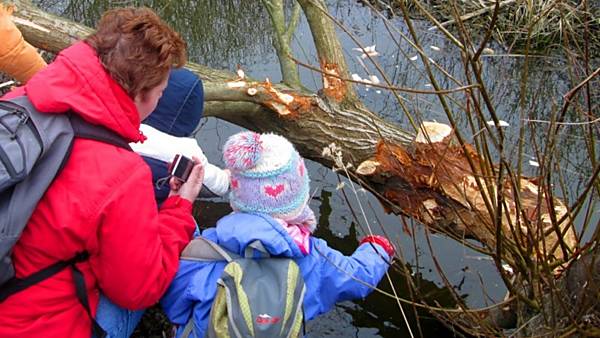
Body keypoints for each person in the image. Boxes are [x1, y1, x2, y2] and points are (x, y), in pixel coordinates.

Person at [0, 7, 204, 338]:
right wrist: (179, 208)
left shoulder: (19, 100)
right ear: (141, 94)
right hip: (34, 327)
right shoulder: (122, 174)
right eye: (161, 93)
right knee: (178, 238)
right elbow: (137, 289)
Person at [161, 131, 395, 337]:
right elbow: (357, 278)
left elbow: (174, 306)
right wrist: (378, 250)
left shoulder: (204, 250)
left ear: (238, 198)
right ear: (299, 198)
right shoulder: (314, 258)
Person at [95, 68, 230, 338]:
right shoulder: (189, 152)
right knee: (191, 229)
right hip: (122, 285)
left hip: (90, 256)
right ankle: (185, 309)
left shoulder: (112, 128)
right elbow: (221, 185)